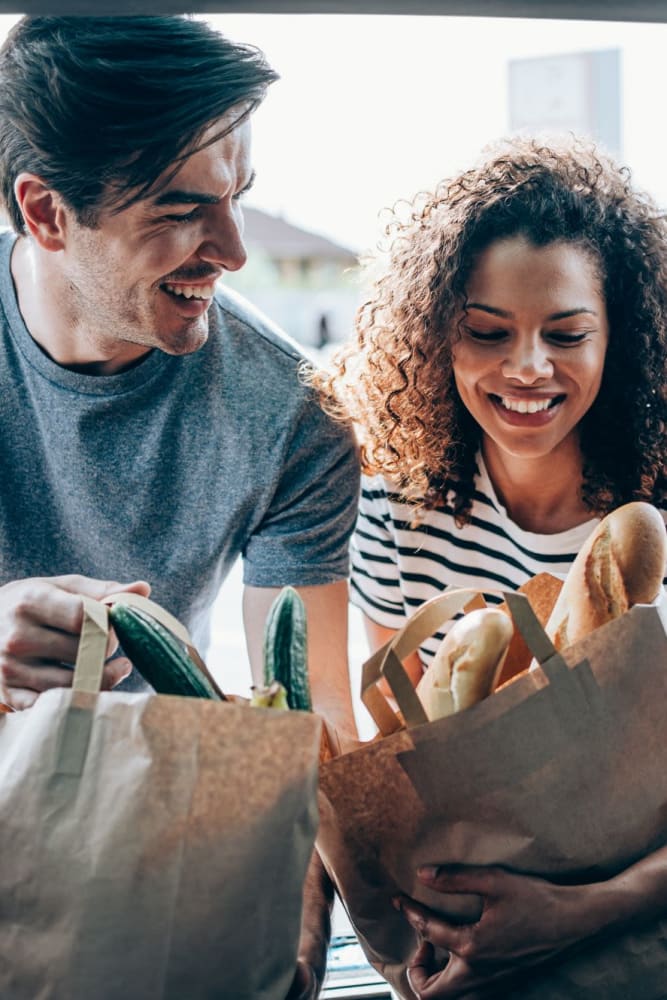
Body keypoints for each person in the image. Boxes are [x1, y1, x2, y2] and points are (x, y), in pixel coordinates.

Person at [0, 15, 361, 998]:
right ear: (45, 212)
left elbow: (314, 714)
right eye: (178, 207)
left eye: (236, 197)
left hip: (142, 856)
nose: (234, 249)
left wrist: (292, 916)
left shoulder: (294, 417)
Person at [311, 135, 667, 996]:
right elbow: (402, 768)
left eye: (566, 333)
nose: (527, 368)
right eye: (487, 332)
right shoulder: (398, 516)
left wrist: (584, 911)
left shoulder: (650, 522)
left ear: (618, 337)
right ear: (439, 338)